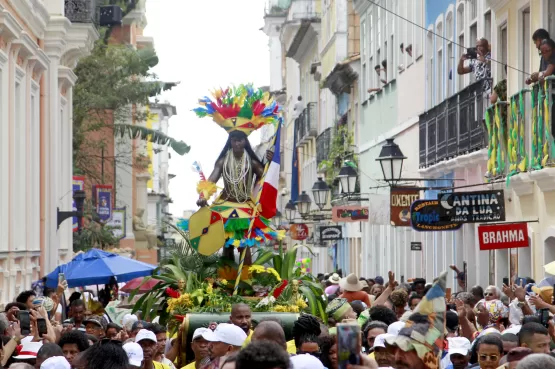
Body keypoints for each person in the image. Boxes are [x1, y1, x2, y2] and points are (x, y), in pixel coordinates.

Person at [193, 85, 279, 263]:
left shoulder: (253, 163)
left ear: (245, 141)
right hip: (224, 205)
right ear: (230, 141)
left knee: (244, 246)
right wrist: (204, 195)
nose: (237, 143)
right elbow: (211, 180)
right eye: (234, 140)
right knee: (226, 247)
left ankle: (246, 283)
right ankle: (226, 281)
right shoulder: (223, 161)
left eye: (240, 140)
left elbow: (264, 181)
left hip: (246, 206)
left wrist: (269, 162)